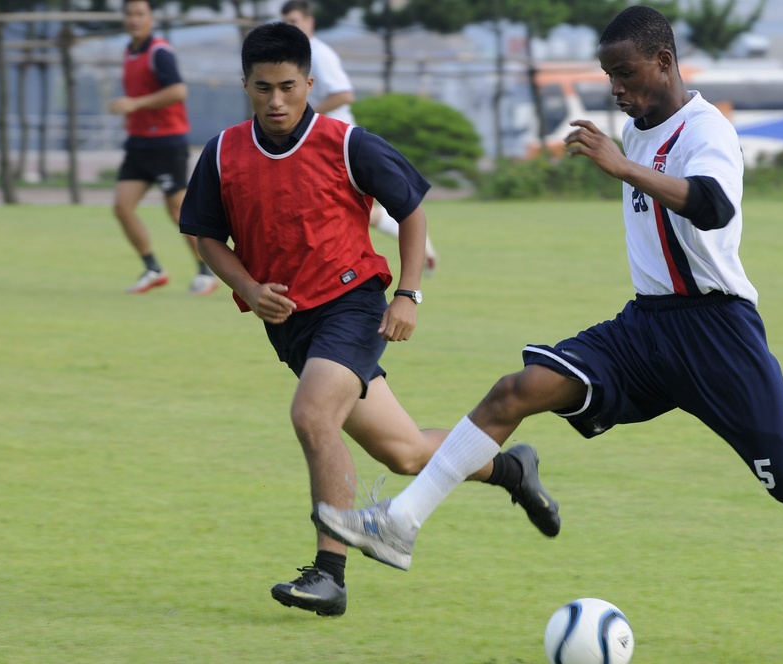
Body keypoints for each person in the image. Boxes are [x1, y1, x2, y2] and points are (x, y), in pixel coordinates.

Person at [312, 6, 783, 631]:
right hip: (646, 328)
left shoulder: (707, 129)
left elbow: (712, 208)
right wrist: (626, 157)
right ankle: (401, 523)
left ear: (664, 60)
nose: (617, 89)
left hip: (718, 334)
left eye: (626, 75)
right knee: (516, 390)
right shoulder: (636, 128)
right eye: (610, 77)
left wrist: (623, 166)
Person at [177, 22, 559, 618]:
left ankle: (329, 574)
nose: (276, 101)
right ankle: (511, 469)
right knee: (404, 453)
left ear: (309, 82)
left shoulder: (348, 143)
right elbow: (203, 234)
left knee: (310, 414)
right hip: (293, 328)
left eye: (287, 86)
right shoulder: (224, 152)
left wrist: (408, 293)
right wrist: (248, 287)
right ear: (245, 85)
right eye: (262, 88)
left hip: (352, 305)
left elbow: (410, 212)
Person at [280, 0, 439, 274]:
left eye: (294, 21)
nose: (290, 27)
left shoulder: (319, 54)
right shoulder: (295, 55)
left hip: (334, 143)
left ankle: (414, 237)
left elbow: (344, 94)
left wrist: (302, 118)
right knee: (334, 209)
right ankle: (417, 239)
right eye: (286, 23)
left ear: (309, 22)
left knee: (339, 209)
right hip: (312, 141)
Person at [109, 0, 217, 295]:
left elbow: (178, 90)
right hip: (139, 143)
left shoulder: (160, 52)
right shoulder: (129, 52)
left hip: (167, 142)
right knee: (122, 207)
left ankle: (207, 273)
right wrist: (132, 114)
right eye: (129, 14)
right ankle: (153, 268)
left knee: (178, 210)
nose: (134, 19)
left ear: (151, 18)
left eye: (140, 14)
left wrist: (135, 104)